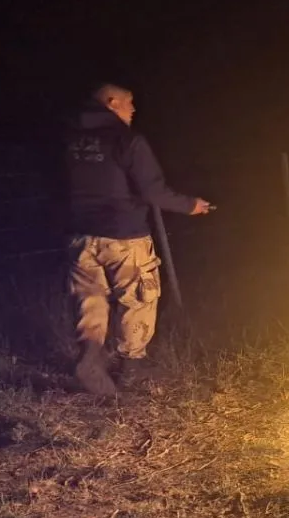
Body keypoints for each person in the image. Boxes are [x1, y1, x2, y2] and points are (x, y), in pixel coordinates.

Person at [65, 84, 213, 394]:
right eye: (129, 103)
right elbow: (153, 191)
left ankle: (90, 359)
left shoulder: (71, 139)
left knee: (90, 301)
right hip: (125, 236)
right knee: (139, 298)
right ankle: (132, 367)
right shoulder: (127, 140)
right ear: (112, 102)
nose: (133, 109)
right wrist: (191, 205)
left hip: (81, 237)